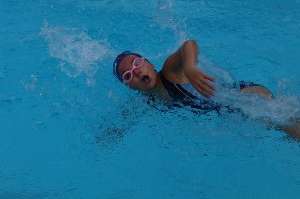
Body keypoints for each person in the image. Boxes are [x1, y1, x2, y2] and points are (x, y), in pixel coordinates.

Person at [113, 40, 300, 140]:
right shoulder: (148, 100)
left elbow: (188, 45)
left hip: (248, 96)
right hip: (237, 109)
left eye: (137, 63)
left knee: (291, 129)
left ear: (149, 63)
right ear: (129, 86)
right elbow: (127, 117)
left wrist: (190, 68)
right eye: (128, 75)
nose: (136, 71)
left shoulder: (170, 72)